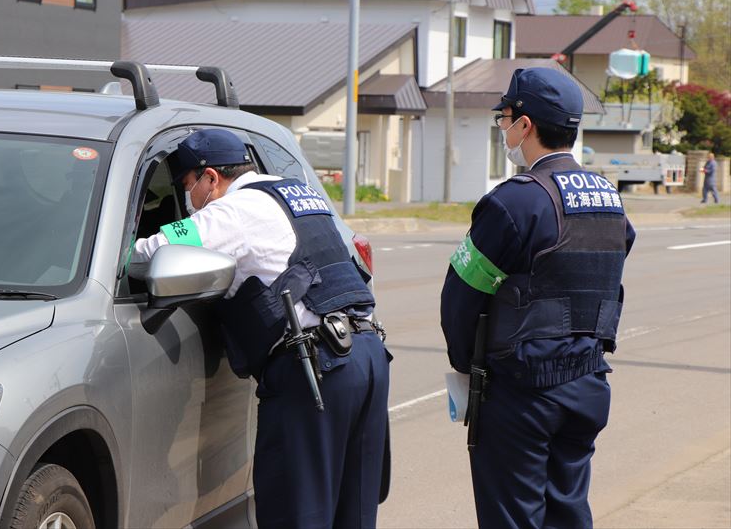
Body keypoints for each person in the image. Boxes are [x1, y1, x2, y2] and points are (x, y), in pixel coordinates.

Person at [129, 129, 390, 529]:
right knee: (350, 516)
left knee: (296, 514)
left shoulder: (232, 211)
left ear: (211, 178)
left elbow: (150, 252)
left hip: (316, 372)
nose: (188, 201)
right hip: (366, 356)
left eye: (187, 186)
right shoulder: (295, 191)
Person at [440, 68, 636, 529]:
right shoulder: (609, 196)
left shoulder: (515, 202)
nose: (503, 129)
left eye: (504, 118)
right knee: (568, 511)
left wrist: (465, 367)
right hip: (588, 381)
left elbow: (460, 296)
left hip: (522, 391)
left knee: (513, 516)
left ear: (524, 125)